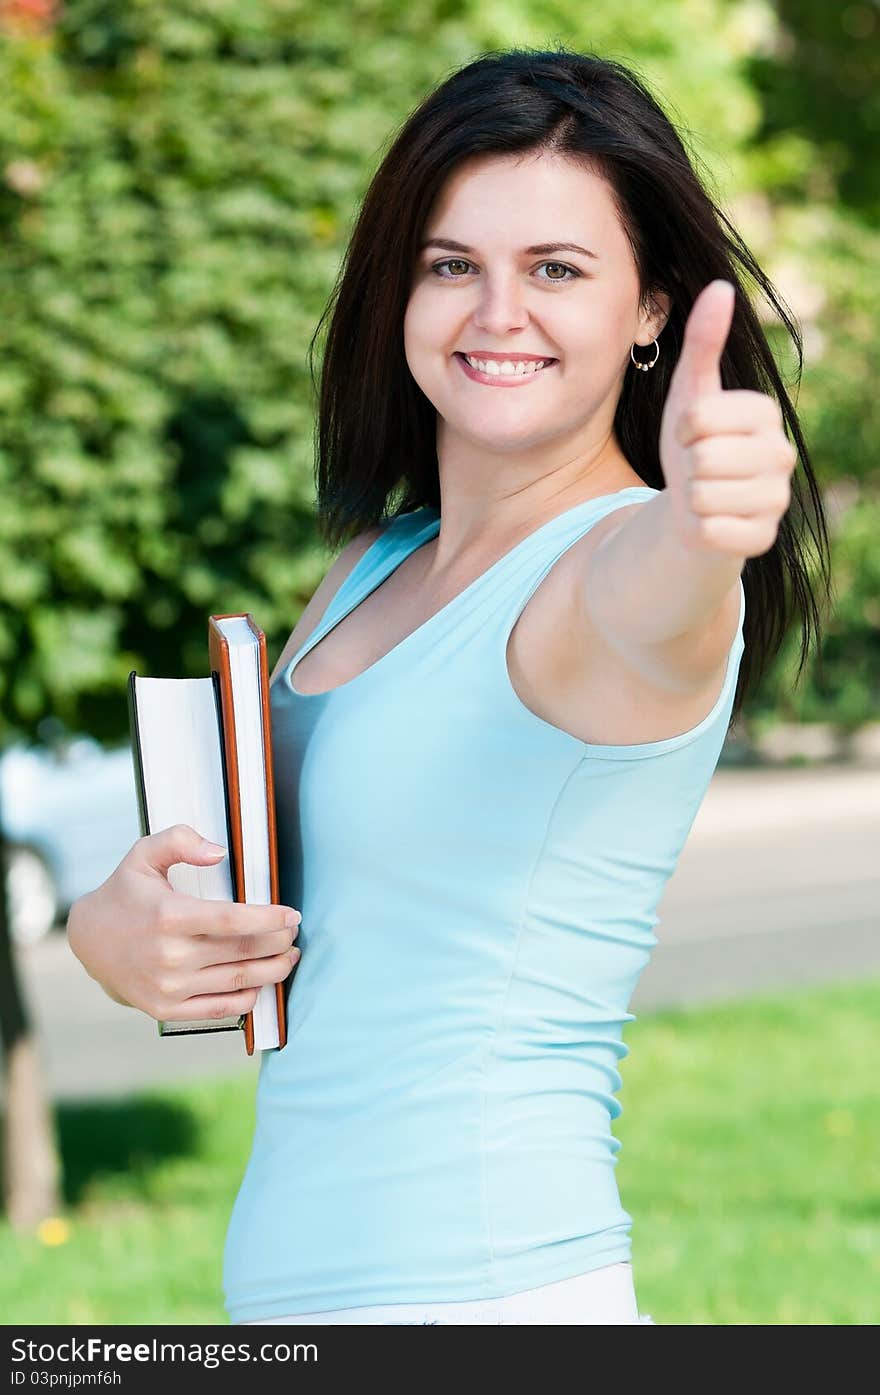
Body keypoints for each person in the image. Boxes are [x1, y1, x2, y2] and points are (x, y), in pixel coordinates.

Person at [67, 47, 831, 1326]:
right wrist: (115, 938)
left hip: (491, 1300)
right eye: (451, 264)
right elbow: (285, 923)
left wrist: (709, 520)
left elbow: (663, 591)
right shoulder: (376, 568)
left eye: (557, 271)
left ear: (652, 312)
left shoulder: (612, 575)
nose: (496, 314)